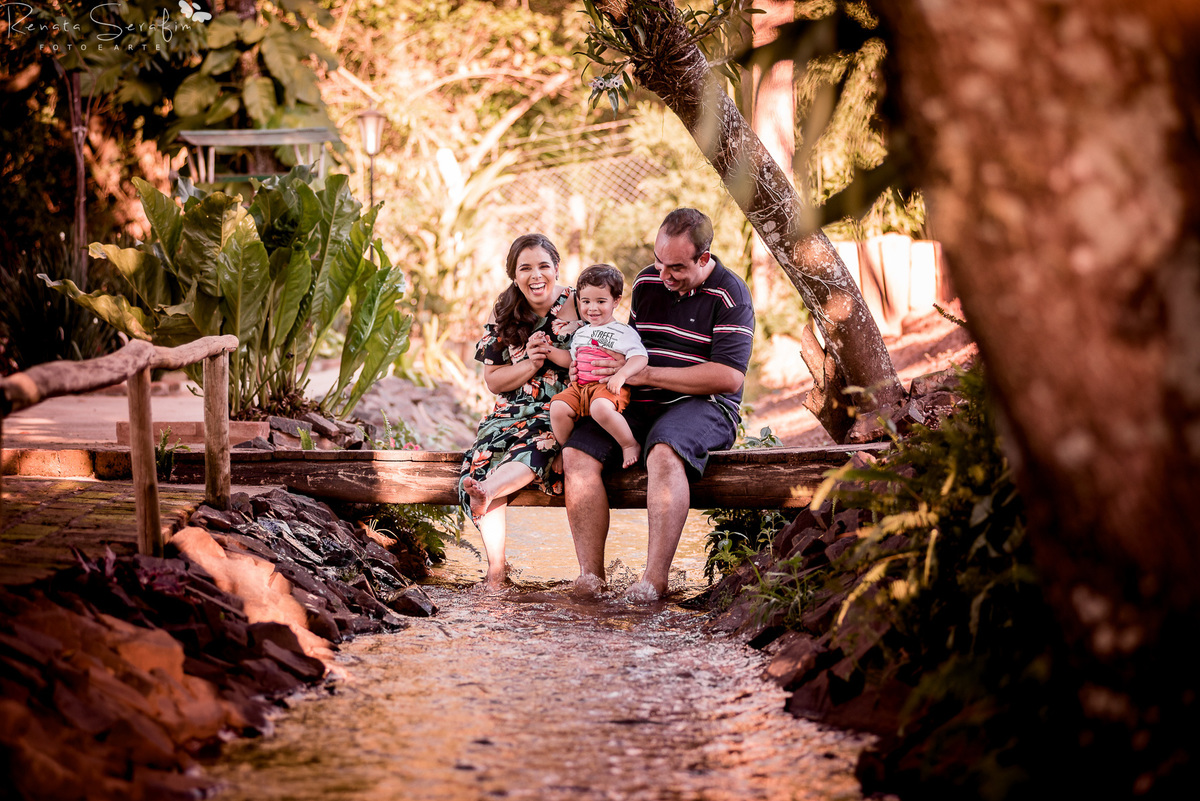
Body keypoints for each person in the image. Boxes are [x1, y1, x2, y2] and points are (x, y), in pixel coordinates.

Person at [563, 208, 755, 601]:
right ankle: (591, 580)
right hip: (636, 400)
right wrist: (589, 369)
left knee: (664, 453)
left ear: (704, 258)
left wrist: (648, 376)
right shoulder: (648, 282)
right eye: (659, 261)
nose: (663, 275)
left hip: (704, 405)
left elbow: (728, 377)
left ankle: (654, 582)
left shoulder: (730, 294)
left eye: (676, 268)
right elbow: (627, 346)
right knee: (577, 454)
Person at [459, 233, 580, 589]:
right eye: (525, 268)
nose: (535, 275)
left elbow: (600, 361)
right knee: (483, 456)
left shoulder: (582, 302)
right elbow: (495, 381)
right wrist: (531, 363)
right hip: (510, 412)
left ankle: (486, 490)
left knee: (537, 446)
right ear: (514, 275)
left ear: (556, 268)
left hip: (561, 411)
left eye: (543, 266)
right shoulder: (507, 313)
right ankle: (496, 572)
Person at [549, 264, 648, 468]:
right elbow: (572, 359)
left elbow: (640, 357)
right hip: (581, 388)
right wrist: (549, 352)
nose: (592, 308)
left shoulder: (622, 331)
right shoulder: (581, 333)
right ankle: (565, 447)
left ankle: (629, 444)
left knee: (600, 408)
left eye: (600, 301)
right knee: (557, 407)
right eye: (586, 301)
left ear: (616, 301)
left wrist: (622, 375)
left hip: (607, 387)